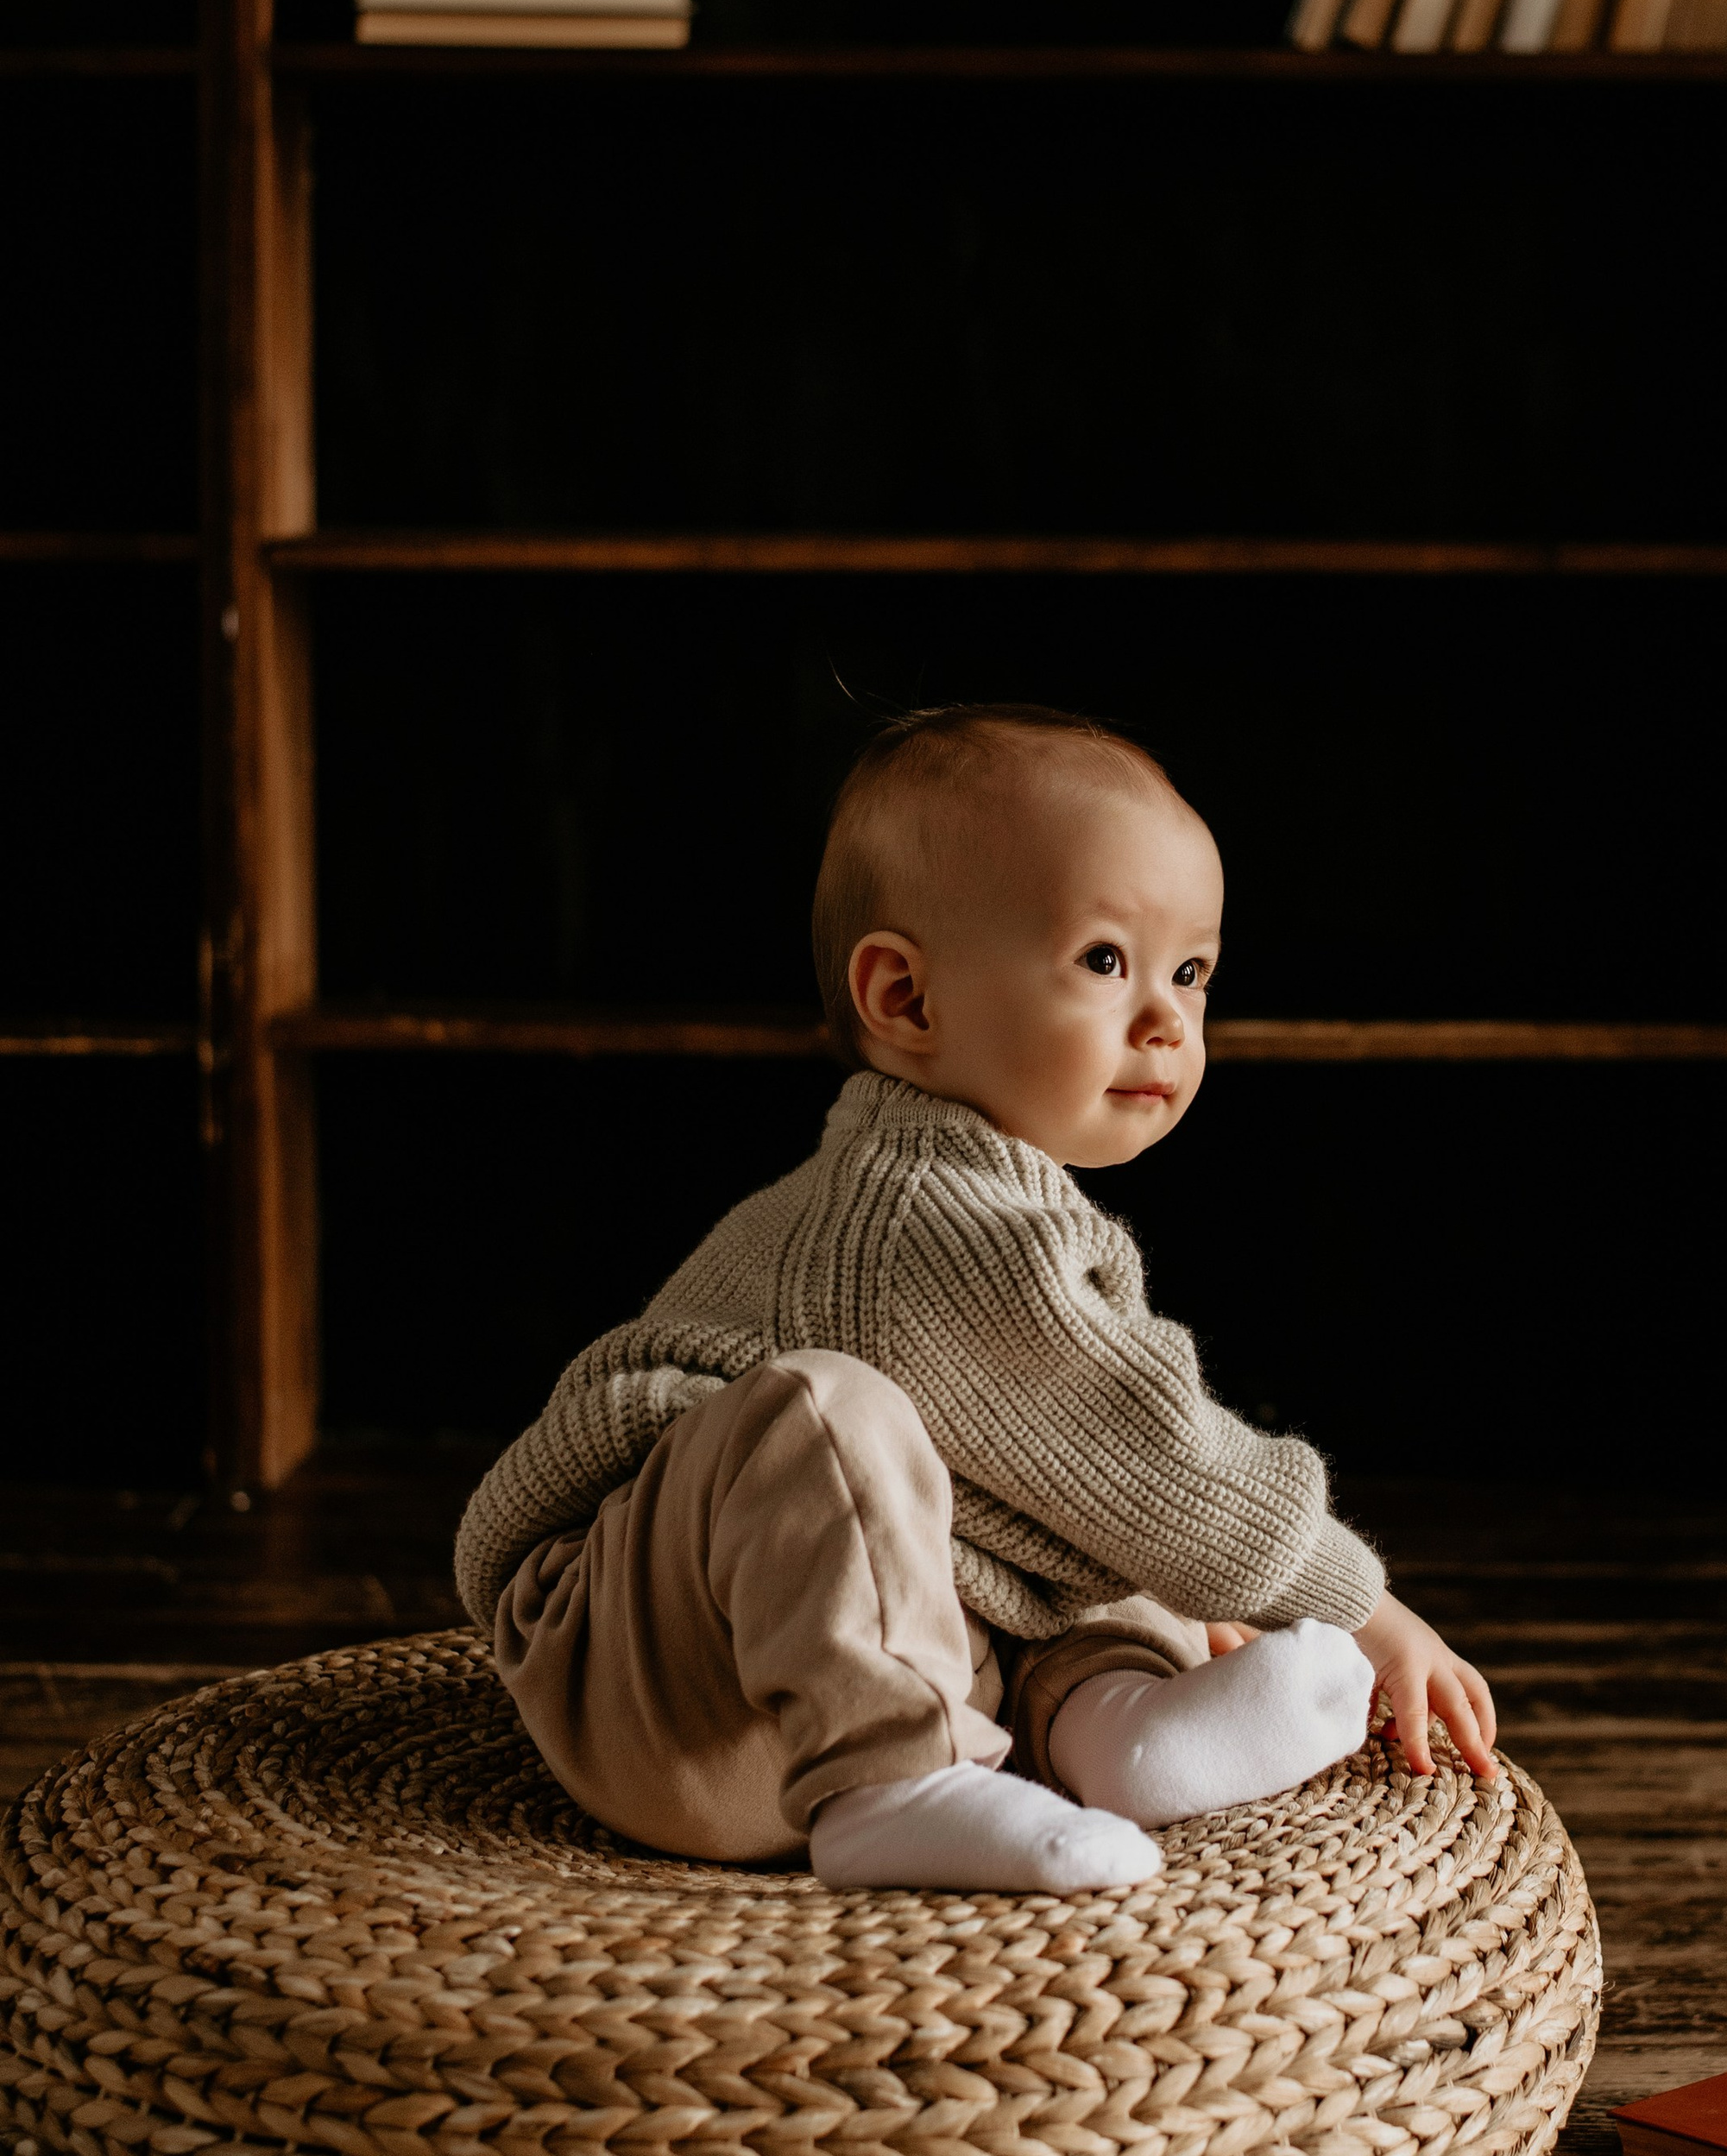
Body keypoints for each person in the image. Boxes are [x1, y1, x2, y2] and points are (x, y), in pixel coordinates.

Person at [459, 702, 1498, 1894]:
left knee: (1068, 1513)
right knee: (831, 1418)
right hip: (658, 1678)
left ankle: (1109, 1723)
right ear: (904, 998)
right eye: (1105, 960)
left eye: (1192, 970)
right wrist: (1363, 1604)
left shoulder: (1003, 1198)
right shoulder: (926, 1213)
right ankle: (889, 1788)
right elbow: (1157, 1458)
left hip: (834, 1652)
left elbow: (1101, 1483)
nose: (1166, 1017)